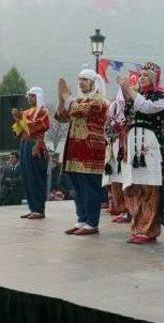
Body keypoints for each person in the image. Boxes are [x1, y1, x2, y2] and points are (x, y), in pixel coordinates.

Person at [117, 62, 164, 244]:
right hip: (133, 143)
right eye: (140, 75)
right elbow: (124, 116)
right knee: (135, 185)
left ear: (155, 78)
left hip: (150, 143)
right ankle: (138, 227)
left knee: (150, 186)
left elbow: (146, 107)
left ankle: (149, 230)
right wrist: (124, 92)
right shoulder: (134, 96)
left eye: (146, 75)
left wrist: (129, 90)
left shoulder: (161, 96)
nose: (141, 77)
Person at [56, 69, 108, 236]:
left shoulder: (99, 100)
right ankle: (82, 220)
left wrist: (66, 98)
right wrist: (60, 98)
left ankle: (92, 223)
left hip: (91, 150)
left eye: (85, 80)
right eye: (79, 80)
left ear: (93, 82)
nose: (81, 82)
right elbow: (62, 117)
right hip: (75, 149)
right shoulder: (77, 99)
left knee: (90, 188)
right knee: (77, 188)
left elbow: (81, 110)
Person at [12, 86, 50, 219]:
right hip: (23, 145)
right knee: (27, 178)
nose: (29, 98)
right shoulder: (26, 112)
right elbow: (18, 132)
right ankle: (32, 208)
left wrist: (21, 120)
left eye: (32, 96)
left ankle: (39, 209)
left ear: (38, 97)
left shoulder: (43, 111)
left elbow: (34, 128)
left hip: (35, 145)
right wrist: (18, 120)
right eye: (28, 96)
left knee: (35, 178)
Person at [103, 89, 130, 223]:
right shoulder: (113, 107)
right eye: (123, 92)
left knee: (126, 179)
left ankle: (129, 210)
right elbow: (107, 126)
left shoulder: (133, 106)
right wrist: (111, 138)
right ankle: (121, 208)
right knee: (115, 178)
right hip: (114, 146)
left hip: (128, 147)